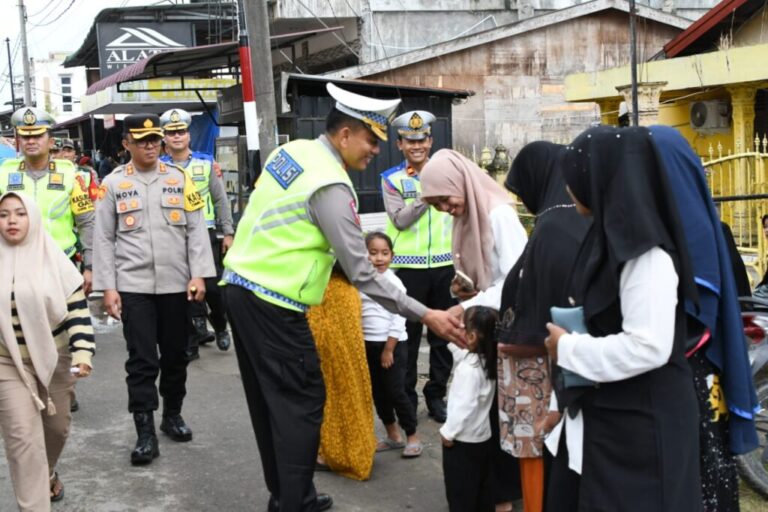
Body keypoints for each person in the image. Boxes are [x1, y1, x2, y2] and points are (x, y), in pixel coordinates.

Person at [221, 82, 463, 512]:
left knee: (271, 402)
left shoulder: (293, 151)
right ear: (345, 134)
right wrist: (427, 314)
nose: (376, 151)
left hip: (242, 287)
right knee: (302, 401)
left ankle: (293, 494)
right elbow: (363, 273)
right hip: (274, 302)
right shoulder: (331, 184)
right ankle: (291, 502)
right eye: (372, 140)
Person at [543, 125, 702, 511]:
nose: (568, 187)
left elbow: (648, 346)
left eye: (575, 176)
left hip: (641, 432)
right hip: (606, 419)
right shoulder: (604, 239)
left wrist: (567, 348)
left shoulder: (645, 257)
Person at [93, 114, 215, 466]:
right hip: (134, 287)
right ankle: (144, 432)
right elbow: (103, 238)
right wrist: (108, 288)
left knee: (177, 356)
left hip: (178, 285)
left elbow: (195, 228)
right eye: (142, 139)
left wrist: (200, 275)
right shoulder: (113, 184)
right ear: (126, 143)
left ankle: (172, 414)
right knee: (142, 361)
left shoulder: (180, 179)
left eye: (155, 139)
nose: (150, 145)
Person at [649, 125, 759, 511]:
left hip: (693, 375)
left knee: (702, 474)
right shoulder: (700, 223)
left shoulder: (684, 232)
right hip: (697, 376)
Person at [497, 141, 591, 512]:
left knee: (544, 455)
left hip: (545, 365)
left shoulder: (553, 226)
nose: (525, 199)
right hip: (565, 363)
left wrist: (507, 340)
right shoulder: (568, 218)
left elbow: (539, 307)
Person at [0, 192, 94, 510]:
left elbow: (77, 312)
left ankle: (49, 472)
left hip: (55, 358)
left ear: (34, 219)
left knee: (56, 429)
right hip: (7, 362)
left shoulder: (54, 260)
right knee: (23, 441)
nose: (11, 220)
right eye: (3, 214)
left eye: (19, 213)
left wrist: (82, 353)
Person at [380, 110, 454, 423]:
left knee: (444, 338)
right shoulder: (391, 179)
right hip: (408, 272)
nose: (417, 146)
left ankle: (436, 395)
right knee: (406, 339)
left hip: (445, 266)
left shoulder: (450, 173)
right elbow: (400, 219)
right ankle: (406, 399)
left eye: (422, 139)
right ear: (399, 144)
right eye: (410, 141)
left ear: (431, 140)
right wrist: (427, 194)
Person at [160, 109, 235, 358]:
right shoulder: (159, 168)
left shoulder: (206, 162)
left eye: (181, 131)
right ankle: (195, 333)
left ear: (188, 135)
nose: (177, 136)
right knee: (183, 287)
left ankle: (220, 324)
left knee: (213, 288)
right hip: (174, 237)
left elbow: (221, 199)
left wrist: (228, 232)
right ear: (164, 138)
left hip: (208, 234)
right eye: (171, 133)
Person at [419, 149, 527, 315]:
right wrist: (460, 290)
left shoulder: (499, 215)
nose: (444, 209)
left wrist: (465, 307)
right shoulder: (465, 218)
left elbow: (517, 280)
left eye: (445, 199)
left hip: (505, 320)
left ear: (461, 184)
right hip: (481, 319)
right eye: (435, 205)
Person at [0, 107, 95, 296]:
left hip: (61, 262)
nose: (31, 141)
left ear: (50, 141)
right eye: (26, 137)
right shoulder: (4, 173)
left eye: (38, 136)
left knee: (68, 322)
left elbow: (87, 222)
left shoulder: (70, 174)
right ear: (18, 142)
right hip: (15, 266)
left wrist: (90, 265)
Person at [306, 265, 376, 481]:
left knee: (332, 383)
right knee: (350, 380)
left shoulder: (326, 284)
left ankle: (337, 452)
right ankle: (358, 446)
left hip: (326, 297)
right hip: (343, 294)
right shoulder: (348, 286)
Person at [361, 232, 423, 458]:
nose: (379, 258)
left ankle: (413, 436)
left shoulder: (394, 282)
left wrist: (389, 349)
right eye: (373, 253)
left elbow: (399, 317)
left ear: (392, 255)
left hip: (393, 345)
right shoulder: (360, 281)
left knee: (397, 391)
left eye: (384, 253)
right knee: (378, 392)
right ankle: (393, 435)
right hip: (368, 344)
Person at [440, 306, 498, 512]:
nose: (459, 327)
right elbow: (460, 352)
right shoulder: (487, 361)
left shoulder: (468, 370)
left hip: (462, 442)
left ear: (472, 336)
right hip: (482, 439)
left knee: (460, 496)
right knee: (482, 493)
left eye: (462, 325)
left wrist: (449, 433)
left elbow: (465, 406)